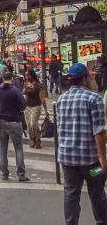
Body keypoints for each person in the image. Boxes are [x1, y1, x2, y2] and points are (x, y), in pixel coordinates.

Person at [57, 63, 107, 225]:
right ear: (85, 79)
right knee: (97, 193)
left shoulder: (61, 99)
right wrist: (103, 159)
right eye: (90, 76)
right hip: (92, 163)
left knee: (71, 193)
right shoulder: (94, 98)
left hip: (68, 160)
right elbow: (99, 131)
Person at [0, 72, 29, 182]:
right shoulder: (15, 90)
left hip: (1, 122)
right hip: (15, 121)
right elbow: (23, 105)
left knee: (2, 148)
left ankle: (4, 173)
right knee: (18, 149)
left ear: (3, 78)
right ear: (11, 78)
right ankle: (21, 174)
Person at [23, 69, 49, 149]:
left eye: (28, 75)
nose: (26, 77)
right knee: (28, 125)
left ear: (32, 75)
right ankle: (32, 140)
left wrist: (45, 110)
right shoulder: (26, 83)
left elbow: (42, 98)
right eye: (26, 75)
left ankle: (38, 140)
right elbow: (24, 94)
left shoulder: (38, 85)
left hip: (36, 106)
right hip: (27, 107)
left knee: (33, 123)